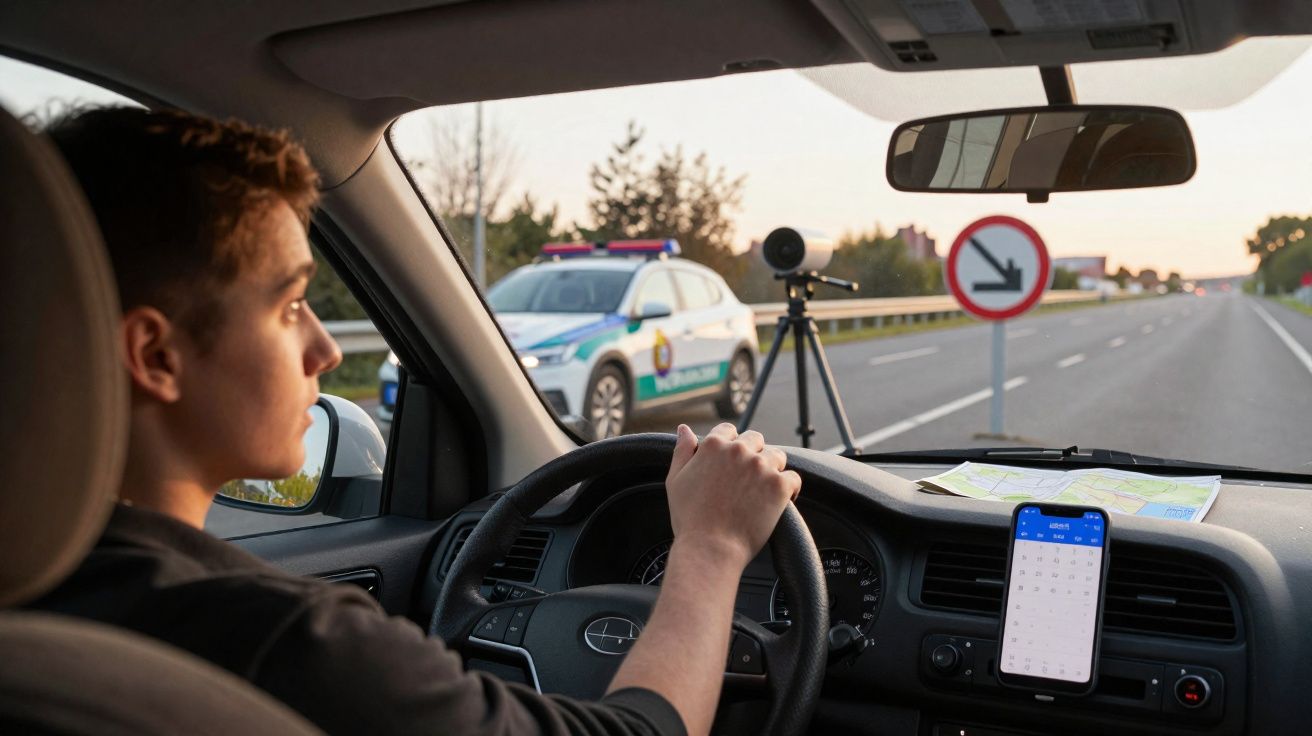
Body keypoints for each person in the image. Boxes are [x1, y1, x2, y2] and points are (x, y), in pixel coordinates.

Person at [27, 107, 802, 736]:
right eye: (291, 305)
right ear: (156, 355)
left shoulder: (52, 595)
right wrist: (710, 546)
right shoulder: (291, 645)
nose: (326, 348)